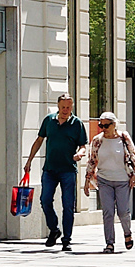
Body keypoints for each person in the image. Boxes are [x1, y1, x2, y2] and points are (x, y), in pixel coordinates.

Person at [31, 96, 88, 251]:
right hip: (50, 169)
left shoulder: (77, 123)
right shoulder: (49, 120)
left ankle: (66, 239)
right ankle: (54, 229)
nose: (65, 110)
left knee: (68, 205)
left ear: (72, 107)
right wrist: (29, 161)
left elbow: (83, 145)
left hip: (68, 170)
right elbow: (39, 140)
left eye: (68, 107)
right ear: (58, 106)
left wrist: (80, 153)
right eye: (63, 107)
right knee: (45, 200)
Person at [86, 113, 135, 253]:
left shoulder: (123, 137)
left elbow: (133, 155)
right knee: (108, 212)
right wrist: (87, 180)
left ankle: (127, 233)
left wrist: (134, 174)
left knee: (123, 211)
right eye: (101, 125)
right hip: (104, 180)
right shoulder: (97, 140)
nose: (103, 128)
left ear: (114, 125)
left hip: (122, 180)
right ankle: (109, 243)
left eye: (106, 125)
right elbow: (92, 160)